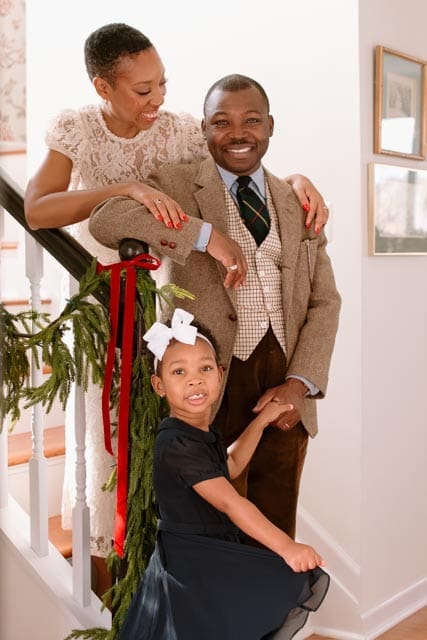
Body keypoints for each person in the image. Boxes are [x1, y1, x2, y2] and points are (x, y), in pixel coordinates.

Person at [23, 24, 330, 581]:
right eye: (143, 90)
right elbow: (51, 210)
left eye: (162, 84)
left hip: (182, 320)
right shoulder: (77, 130)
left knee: (263, 509)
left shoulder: (183, 134)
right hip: (111, 302)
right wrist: (138, 195)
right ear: (103, 87)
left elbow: (239, 155)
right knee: (122, 460)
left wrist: (296, 179)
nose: (158, 99)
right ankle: (124, 592)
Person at [89, 74, 341, 550]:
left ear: (270, 126)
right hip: (209, 378)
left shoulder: (298, 200)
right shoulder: (180, 185)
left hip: (285, 382)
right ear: (205, 129)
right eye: (222, 122)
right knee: (216, 532)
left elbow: (326, 300)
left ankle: (268, 623)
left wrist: (300, 383)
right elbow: (107, 220)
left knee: (277, 530)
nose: (238, 133)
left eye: (251, 120)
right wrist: (204, 236)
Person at [117, 307, 330, 640]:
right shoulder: (175, 442)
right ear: (159, 385)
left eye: (204, 368)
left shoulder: (202, 432)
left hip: (209, 552)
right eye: (178, 372)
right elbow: (232, 502)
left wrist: (259, 422)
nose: (194, 379)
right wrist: (287, 547)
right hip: (190, 562)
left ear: (220, 373)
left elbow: (228, 468)